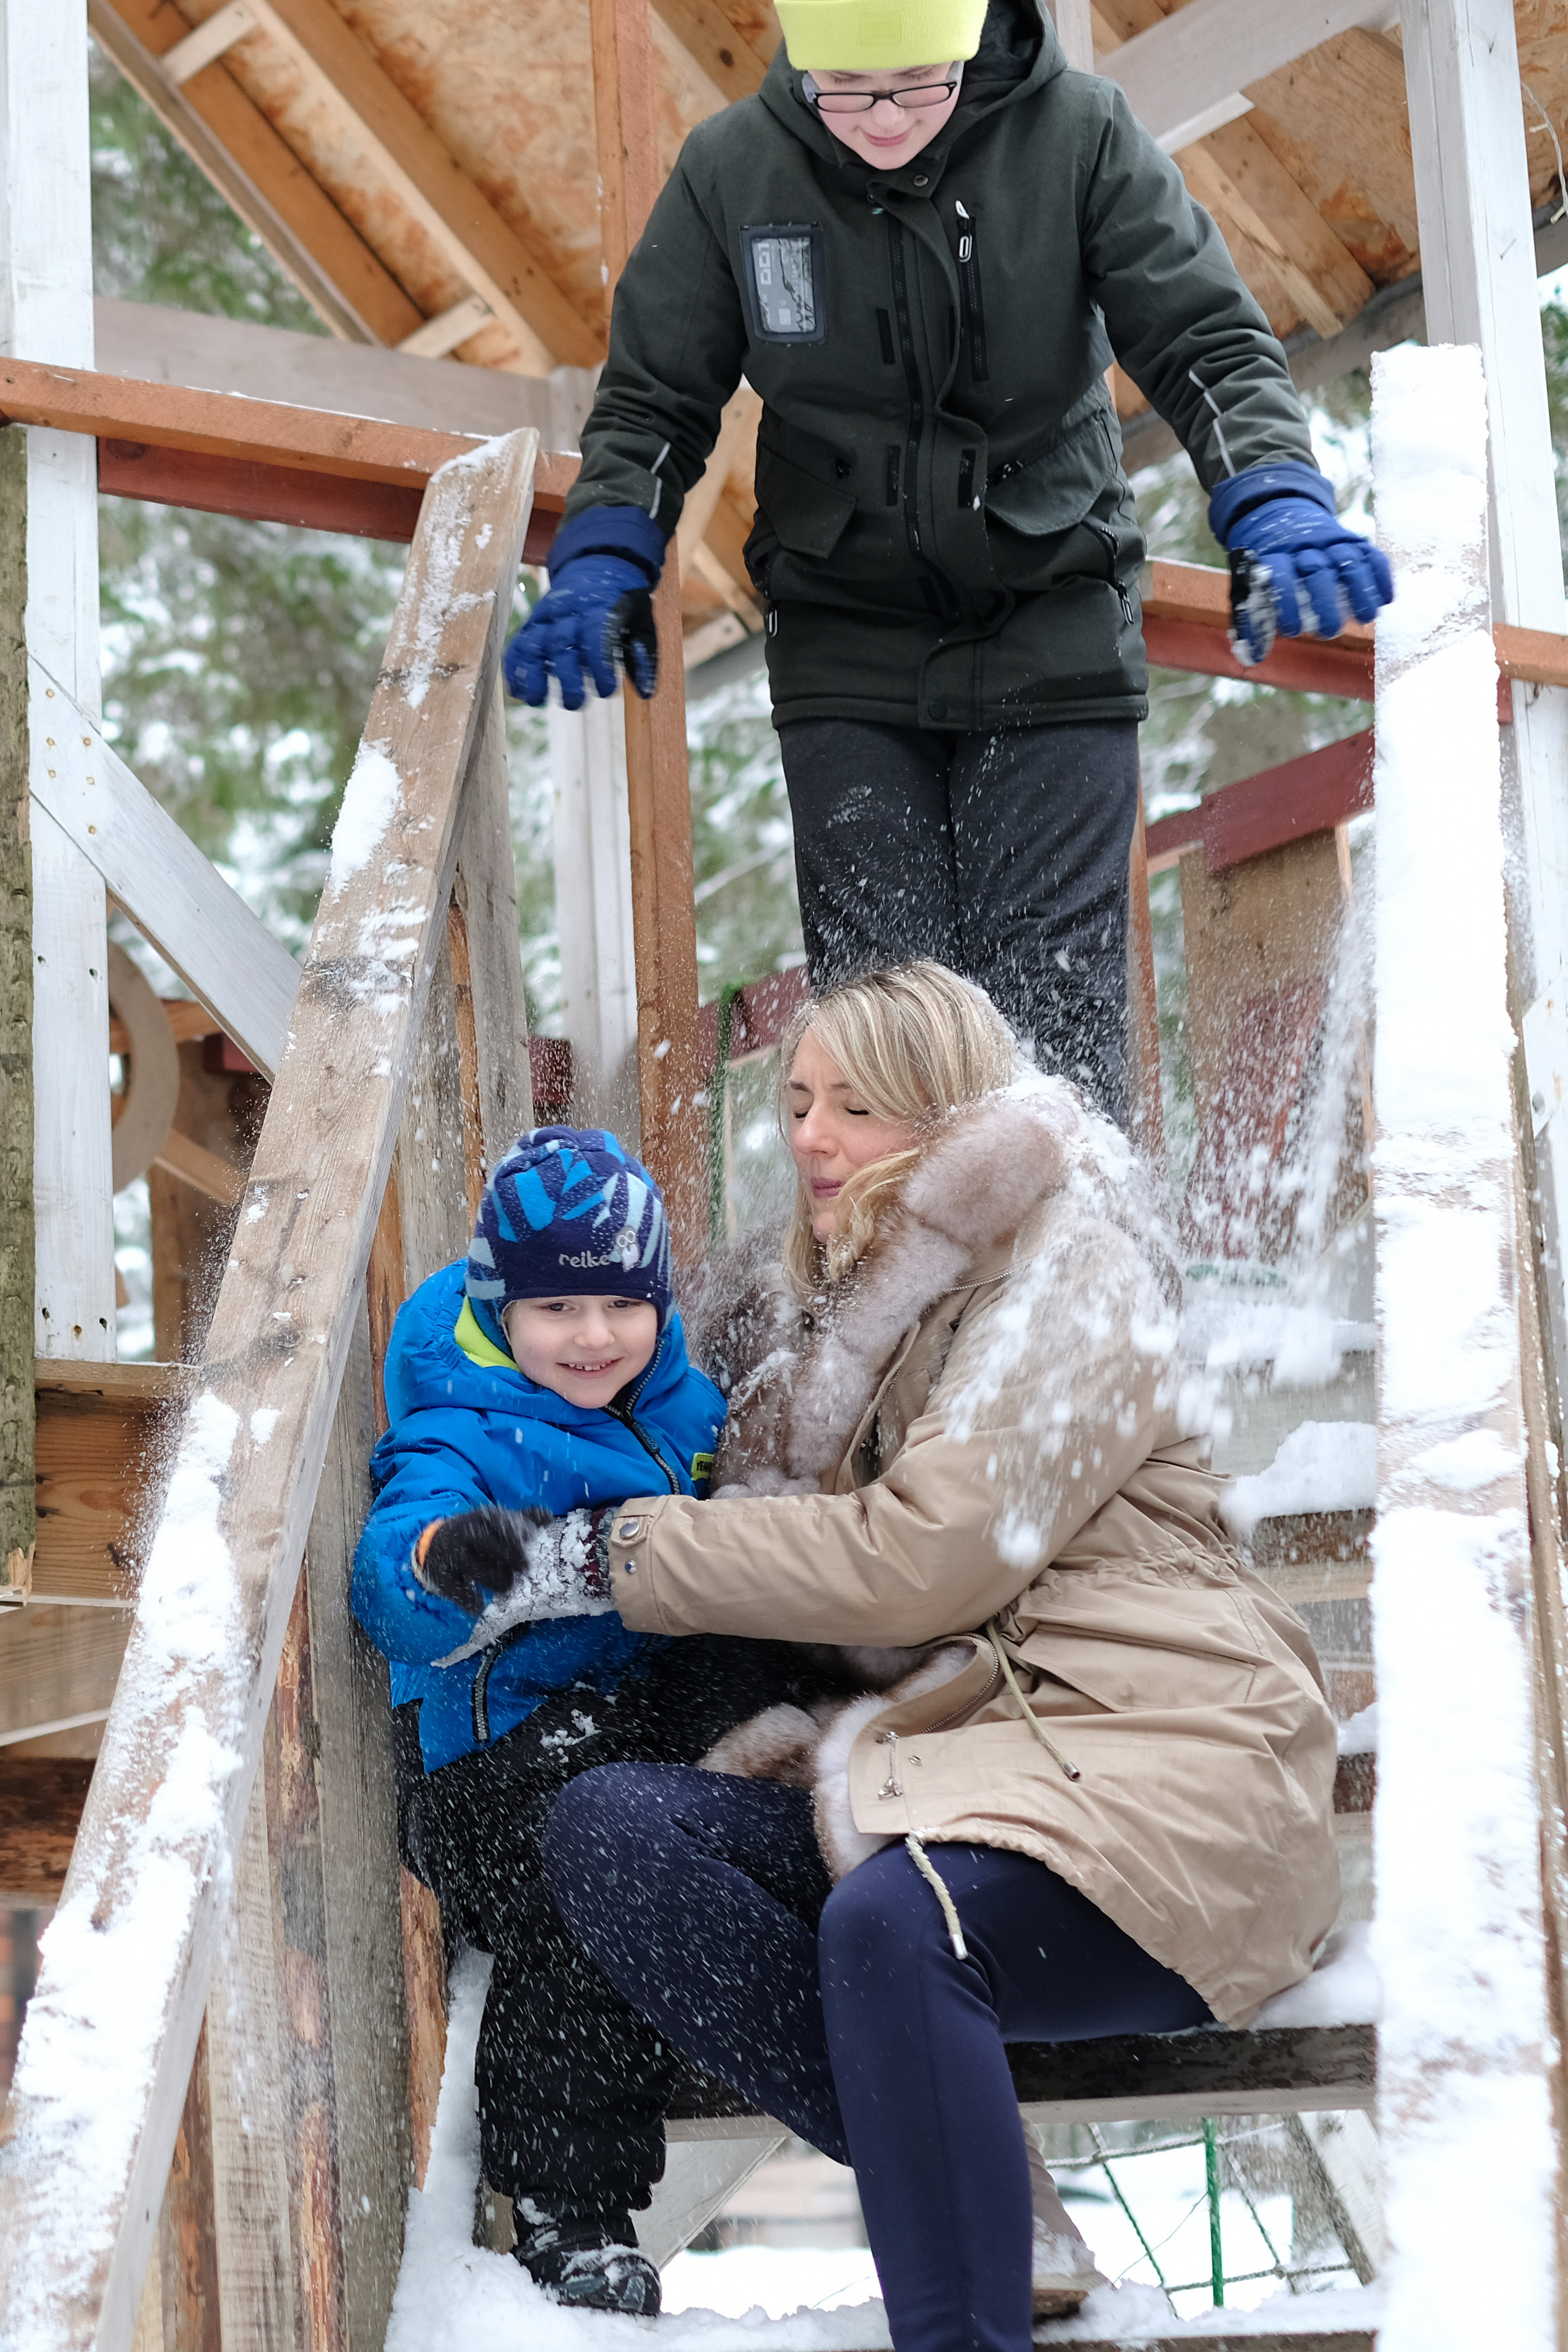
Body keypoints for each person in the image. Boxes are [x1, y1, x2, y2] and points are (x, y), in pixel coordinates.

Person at [470, 964, 1340, 2352]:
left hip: (1158, 1763)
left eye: (854, 1106)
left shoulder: (1069, 1267)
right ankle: (971, 2181)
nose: (807, 1137)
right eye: (797, 1102)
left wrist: (608, 1555)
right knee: (613, 1832)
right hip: (965, 1763)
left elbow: (926, 1558)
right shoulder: (832, 1313)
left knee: (894, 1920)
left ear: (943, 1118)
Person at [503, 0, 1393, 1126]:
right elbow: (652, 397)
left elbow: (1203, 335)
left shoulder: (1078, 134)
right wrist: (604, 555)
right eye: (849, 92)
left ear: (972, 43)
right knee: (885, 1028)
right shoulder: (737, 170)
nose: (883, 119)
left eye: (919, 84)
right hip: (846, 639)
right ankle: (901, 1299)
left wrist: (1272, 496)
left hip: (1051, 617)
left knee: (1047, 1020)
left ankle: (1066, 1291)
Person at [350, 1125, 840, 2316]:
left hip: (631, 1728)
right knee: (591, 1883)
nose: (591, 1338)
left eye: (620, 1304)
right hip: (493, 1773)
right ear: (498, 1305)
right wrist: (441, 1561)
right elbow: (389, 1582)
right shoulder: (460, 1427)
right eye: (556, 1308)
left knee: (759, 1631)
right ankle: (568, 2211)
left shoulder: (677, 1405)